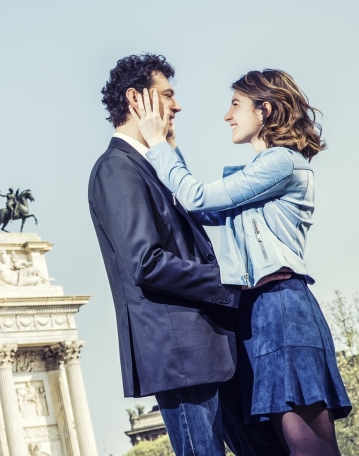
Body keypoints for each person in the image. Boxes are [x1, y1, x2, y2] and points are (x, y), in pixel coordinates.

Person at [134, 69, 352, 455]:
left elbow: (198, 198)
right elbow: (195, 209)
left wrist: (157, 144)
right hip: (256, 313)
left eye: (236, 104)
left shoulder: (281, 163)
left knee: (309, 450)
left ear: (265, 109)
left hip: (283, 308)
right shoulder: (259, 174)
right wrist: (168, 143)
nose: (227, 115)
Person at [89, 54, 287, 456]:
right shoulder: (116, 169)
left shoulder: (151, 165)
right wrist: (233, 282)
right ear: (136, 99)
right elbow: (146, 262)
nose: (177, 106)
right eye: (167, 95)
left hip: (214, 345)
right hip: (181, 354)